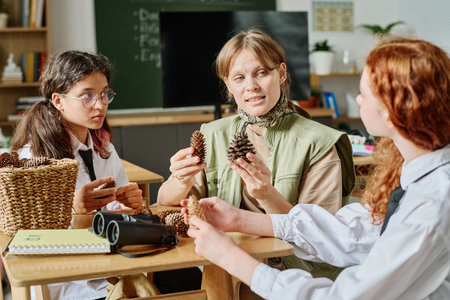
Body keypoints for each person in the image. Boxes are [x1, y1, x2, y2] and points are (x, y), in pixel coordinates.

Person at [182, 38, 450, 299]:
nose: (358, 100)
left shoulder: (432, 204)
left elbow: (343, 296)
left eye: (363, 93)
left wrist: (230, 256)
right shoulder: (420, 177)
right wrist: (239, 220)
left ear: (394, 111)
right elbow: (354, 232)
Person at [157, 29, 355, 279]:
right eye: (239, 78)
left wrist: (268, 196)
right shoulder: (212, 134)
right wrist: (180, 180)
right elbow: (166, 201)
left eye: (262, 72)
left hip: (289, 272)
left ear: (281, 73)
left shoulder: (320, 142)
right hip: (218, 262)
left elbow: (319, 237)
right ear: (228, 84)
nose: (251, 86)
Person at [11, 50, 143, 299]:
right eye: (88, 96)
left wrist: (131, 204)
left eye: (105, 93)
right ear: (58, 101)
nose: (101, 104)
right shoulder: (31, 159)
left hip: (110, 271)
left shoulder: (104, 149)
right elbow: (24, 238)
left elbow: (121, 213)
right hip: (66, 281)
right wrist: (72, 209)